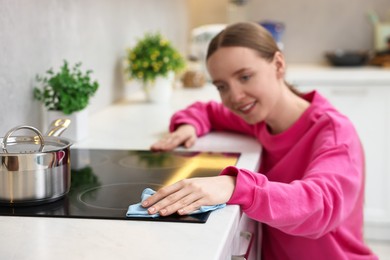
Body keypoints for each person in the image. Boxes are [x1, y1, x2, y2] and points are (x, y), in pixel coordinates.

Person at [143, 22, 378, 259]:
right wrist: (189, 125)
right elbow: (207, 110)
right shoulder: (257, 118)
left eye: (245, 77)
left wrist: (235, 186)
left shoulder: (334, 134)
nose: (234, 96)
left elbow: (320, 207)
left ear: (278, 64)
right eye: (222, 86)